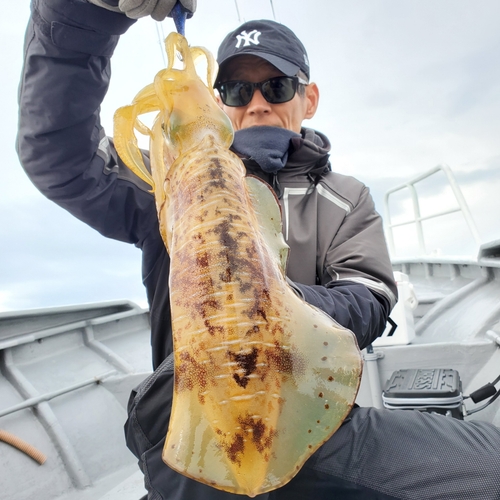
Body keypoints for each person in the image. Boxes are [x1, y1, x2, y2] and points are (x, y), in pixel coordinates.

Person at [17, 1, 500, 499]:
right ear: (219, 101)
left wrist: (265, 305)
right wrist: (79, 12)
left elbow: (369, 296)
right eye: (236, 89)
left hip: (320, 422)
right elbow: (59, 153)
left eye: (276, 86)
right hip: (198, 426)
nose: (257, 103)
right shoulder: (168, 190)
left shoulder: (344, 196)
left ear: (308, 97)